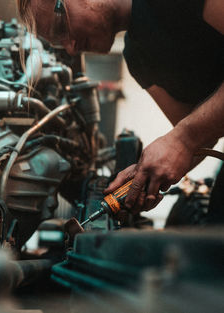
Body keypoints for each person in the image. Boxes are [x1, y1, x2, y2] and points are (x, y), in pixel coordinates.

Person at [16, 0, 224, 214]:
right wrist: (143, 177)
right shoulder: (138, 58)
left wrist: (184, 138)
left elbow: (189, 137)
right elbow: (204, 136)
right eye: (59, 42)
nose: (71, 48)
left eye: (60, 27)